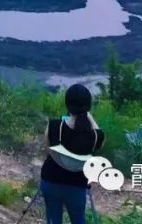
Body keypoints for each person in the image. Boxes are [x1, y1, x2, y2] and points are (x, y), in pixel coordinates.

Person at [39, 84, 106, 224]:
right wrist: (89, 117)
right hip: (77, 186)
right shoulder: (94, 137)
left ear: (67, 104)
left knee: (53, 219)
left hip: (51, 180)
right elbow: (99, 135)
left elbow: (48, 150)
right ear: (88, 107)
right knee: (78, 220)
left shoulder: (54, 126)